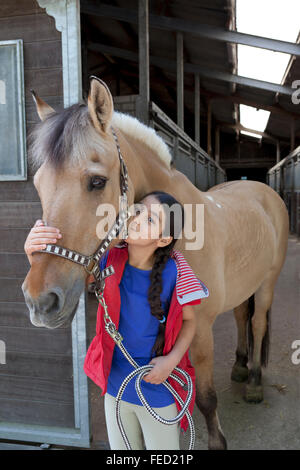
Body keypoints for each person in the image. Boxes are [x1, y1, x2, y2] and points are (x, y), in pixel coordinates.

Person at [24, 190, 209, 450]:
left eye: (150, 220)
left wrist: (171, 361)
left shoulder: (176, 272)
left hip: (158, 387)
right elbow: (65, 273)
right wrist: (35, 255)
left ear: (164, 239)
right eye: (138, 210)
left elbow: (189, 322)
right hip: (116, 388)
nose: (136, 218)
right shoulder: (107, 259)